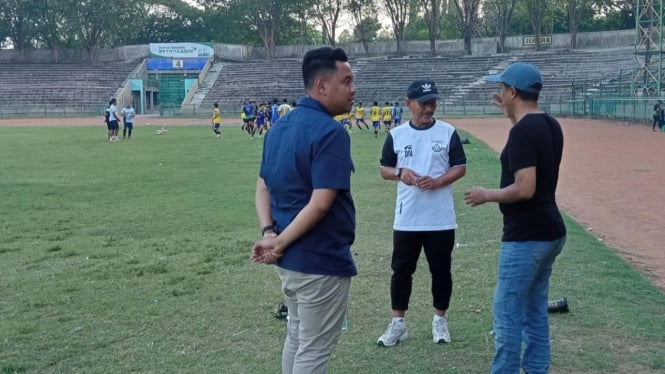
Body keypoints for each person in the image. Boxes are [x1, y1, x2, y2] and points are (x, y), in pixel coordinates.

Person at [252, 46, 357, 374]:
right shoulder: (330, 132)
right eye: (347, 81)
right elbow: (321, 203)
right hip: (319, 261)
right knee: (312, 351)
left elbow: (262, 186)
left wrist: (271, 233)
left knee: (298, 338)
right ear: (321, 85)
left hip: (290, 261)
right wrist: (277, 242)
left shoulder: (279, 127)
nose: (354, 89)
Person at [464, 62, 566, 374]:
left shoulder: (523, 131)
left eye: (502, 89)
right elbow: (528, 142)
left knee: (507, 313)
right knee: (534, 310)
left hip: (526, 236)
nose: (499, 94)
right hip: (550, 231)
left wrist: (486, 194)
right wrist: (510, 114)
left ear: (511, 91)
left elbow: (525, 187)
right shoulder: (549, 124)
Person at [376, 79, 467, 347]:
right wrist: (399, 172)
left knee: (441, 271)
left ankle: (440, 321)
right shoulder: (396, 135)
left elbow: (460, 167)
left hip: (440, 219)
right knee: (401, 271)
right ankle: (398, 324)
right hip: (407, 218)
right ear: (409, 104)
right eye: (423, 103)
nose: (429, 108)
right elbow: (384, 169)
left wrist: (438, 181)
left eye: (433, 102)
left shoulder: (448, 132)